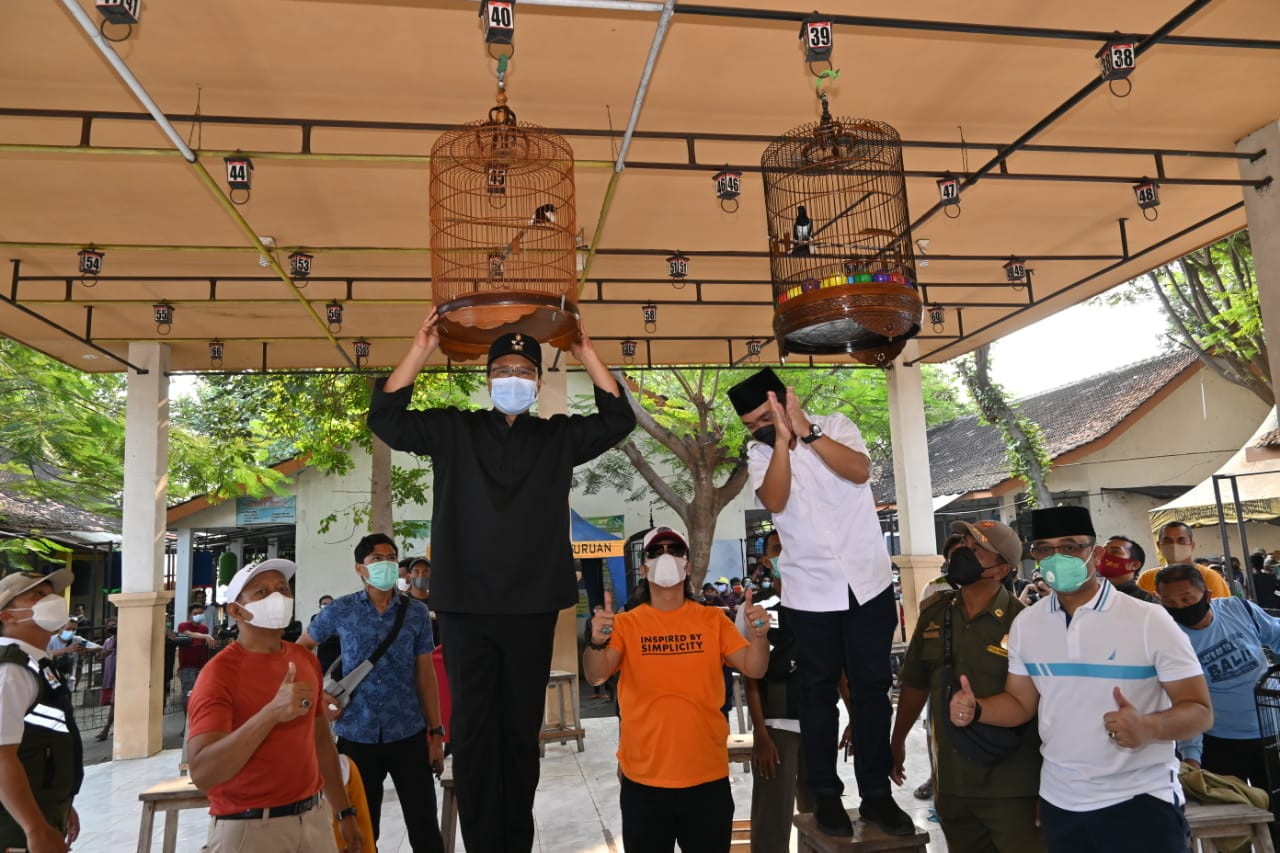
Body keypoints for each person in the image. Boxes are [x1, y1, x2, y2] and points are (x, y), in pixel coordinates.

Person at [367, 311, 636, 852]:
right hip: (467, 607)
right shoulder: (453, 429)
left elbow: (617, 419)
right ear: (488, 379)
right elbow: (387, 420)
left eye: (524, 370)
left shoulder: (556, 436)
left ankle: (516, 842)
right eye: (503, 369)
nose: (513, 377)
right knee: (473, 736)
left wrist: (584, 350)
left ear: (537, 382)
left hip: (533, 607)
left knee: (519, 735)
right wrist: (419, 349)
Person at [949, 506, 1212, 853]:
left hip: (1141, 801)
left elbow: (1199, 710)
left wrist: (1150, 727)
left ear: (1096, 554)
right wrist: (977, 709)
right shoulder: (1028, 624)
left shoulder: (1148, 620)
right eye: (1045, 550)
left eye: (1070, 547)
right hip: (1062, 804)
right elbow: (1020, 704)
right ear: (1035, 559)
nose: (1057, 558)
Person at [728, 367, 912, 836]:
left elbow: (860, 471)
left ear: (782, 400)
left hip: (866, 586)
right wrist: (781, 444)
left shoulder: (836, 426)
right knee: (817, 694)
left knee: (872, 693)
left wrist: (805, 432)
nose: (760, 428)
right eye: (751, 424)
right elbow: (775, 498)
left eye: (764, 416)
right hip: (810, 593)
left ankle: (877, 797)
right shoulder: (759, 453)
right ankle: (827, 796)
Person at [583, 526, 770, 851]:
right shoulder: (627, 624)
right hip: (644, 784)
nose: (666, 556)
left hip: (707, 781)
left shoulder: (712, 621)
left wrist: (760, 635)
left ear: (687, 565)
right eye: (657, 552)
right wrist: (596, 642)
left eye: (674, 550)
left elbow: (754, 667)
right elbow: (596, 676)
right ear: (644, 569)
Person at [187, 559, 362, 853]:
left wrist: (344, 812)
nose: (277, 597)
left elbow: (321, 741)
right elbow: (203, 773)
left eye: (282, 589)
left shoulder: (305, 660)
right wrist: (270, 713)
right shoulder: (218, 674)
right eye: (261, 592)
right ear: (235, 610)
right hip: (251, 828)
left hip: (314, 819)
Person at [894, 520, 1043, 852]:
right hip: (952, 782)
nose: (964, 553)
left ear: (1002, 568)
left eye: (977, 550)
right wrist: (897, 740)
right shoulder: (936, 616)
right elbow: (915, 684)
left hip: (1013, 786)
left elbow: (1045, 708)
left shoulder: (1024, 622)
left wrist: (1048, 789)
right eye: (964, 545)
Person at [300, 534, 445, 852]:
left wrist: (436, 734)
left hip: (407, 731)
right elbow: (302, 648)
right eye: (377, 559)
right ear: (360, 569)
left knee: (425, 828)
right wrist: (318, 695)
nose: (387, 564)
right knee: (362, 831)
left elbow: (425, 674)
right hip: (356, 735)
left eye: (392, 558)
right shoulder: (342, 610)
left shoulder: (416, 613)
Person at [1156, 562, 1280, 840]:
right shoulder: (1170, 639)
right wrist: (1192, 757)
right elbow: (1185, 702)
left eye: (1187, 599)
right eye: (1170, 601)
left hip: (1272, 732)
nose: (1180, 607)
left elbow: (1277, 634)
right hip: (1218, 742)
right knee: (1229, 834)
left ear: (1207, 594)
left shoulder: (1239, 609)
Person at [738, 536, 812, 853]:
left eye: (790, 545)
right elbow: (750, 678)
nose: (785, 554)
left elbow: (837, 670)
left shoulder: (819, 605)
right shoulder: (758, 610)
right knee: (772, 822)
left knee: (819, 818)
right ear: (767, 560)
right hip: (777, 729)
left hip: (816, 723)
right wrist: (762, 733)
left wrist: (853, 720)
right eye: (776, 550)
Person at [0, 569, 82, 853]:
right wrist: (34, 827)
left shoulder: (36, 663)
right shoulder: (10, 670)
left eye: (50, 594)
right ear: (6, 616)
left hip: (37, 813)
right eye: (37, 595)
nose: (51, 601)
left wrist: (61, 804)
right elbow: (1, 756)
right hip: (11, 831)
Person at [1136, 522, 1231, 600]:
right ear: (1159, 545)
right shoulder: (1146, 578)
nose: (1174, 545)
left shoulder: (1209, 577)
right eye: (1167, 540)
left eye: (1181, 540)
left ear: (1192, 545)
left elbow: (1222, 614)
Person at [177, 602, 217, 710]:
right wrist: (205, 636)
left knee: (201, 695)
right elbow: (188, 634)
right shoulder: (183, 626)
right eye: (196, 613)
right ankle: (187, 722)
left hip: (202, 666)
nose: (199, 615)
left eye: (201, 613)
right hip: (187, 667)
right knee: (188, 696)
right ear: (190, 615)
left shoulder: (204, 628)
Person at [1096, 536, 1156, 603]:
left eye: (1115, 551)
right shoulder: (1089, 594)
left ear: (1134, 565)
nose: (1104, 555)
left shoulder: (1145, 602)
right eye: (1103, 551)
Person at [95, 617, 118, 742]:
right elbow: (102, 655)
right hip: (110, 674)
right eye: (109, 625)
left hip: (121, 675)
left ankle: (106, 728)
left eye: (114, 624)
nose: (111, 627)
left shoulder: (124, 638)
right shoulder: (108, 641)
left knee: (115, 703)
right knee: (114, 704)